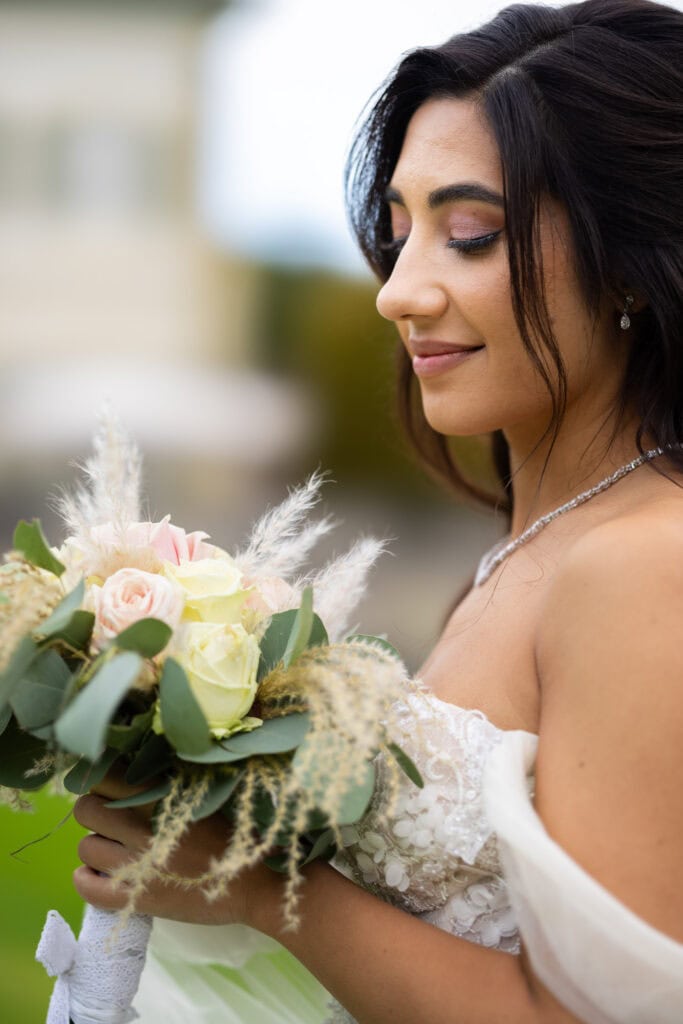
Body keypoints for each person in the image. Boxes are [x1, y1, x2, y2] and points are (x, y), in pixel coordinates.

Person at [70, 1, 683, 1021]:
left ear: (627, 260)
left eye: (469, 235)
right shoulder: (529, 549)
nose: (398, 292)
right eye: (397, 237)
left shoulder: (641, 565)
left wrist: (259, 889)